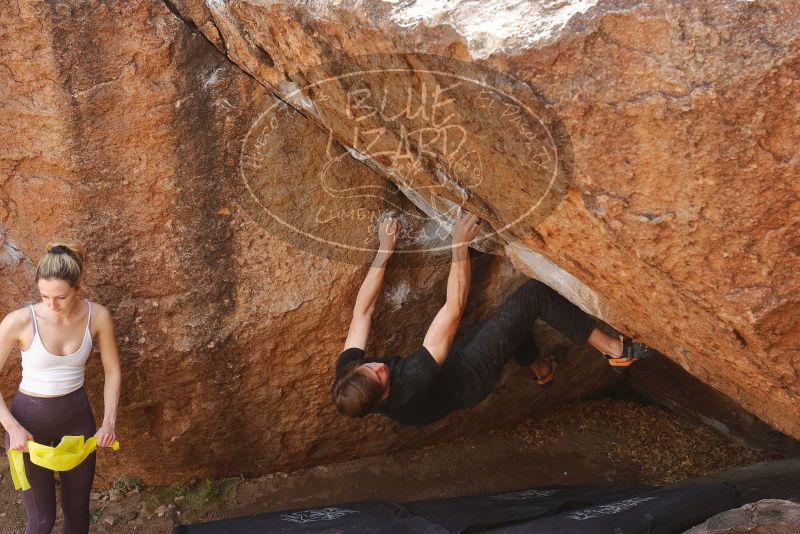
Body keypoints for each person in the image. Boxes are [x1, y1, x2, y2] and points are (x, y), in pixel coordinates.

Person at [332, 213, 654, 426]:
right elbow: (453, 308)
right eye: (379, 376)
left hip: (448, 371)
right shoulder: (414, 379)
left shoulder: (350, 378)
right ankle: (614, 351)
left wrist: (384, 250)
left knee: (505, 325)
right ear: (382, 395)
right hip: (469, 377)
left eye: (368, 366)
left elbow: (364, 310)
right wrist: (459, 245)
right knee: (533, 296)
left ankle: (542, 371)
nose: (378, 366)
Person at [0, 241, 121, 534]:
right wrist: (12, 428)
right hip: (28, 426)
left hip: (76, 418)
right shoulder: (19, 321)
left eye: (60, 297)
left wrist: (108, 423)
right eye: (44, 296)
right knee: (41, 521)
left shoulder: (98, 316)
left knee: (78, 515)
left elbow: (113, 370)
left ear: (78, 287)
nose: (51, 305)